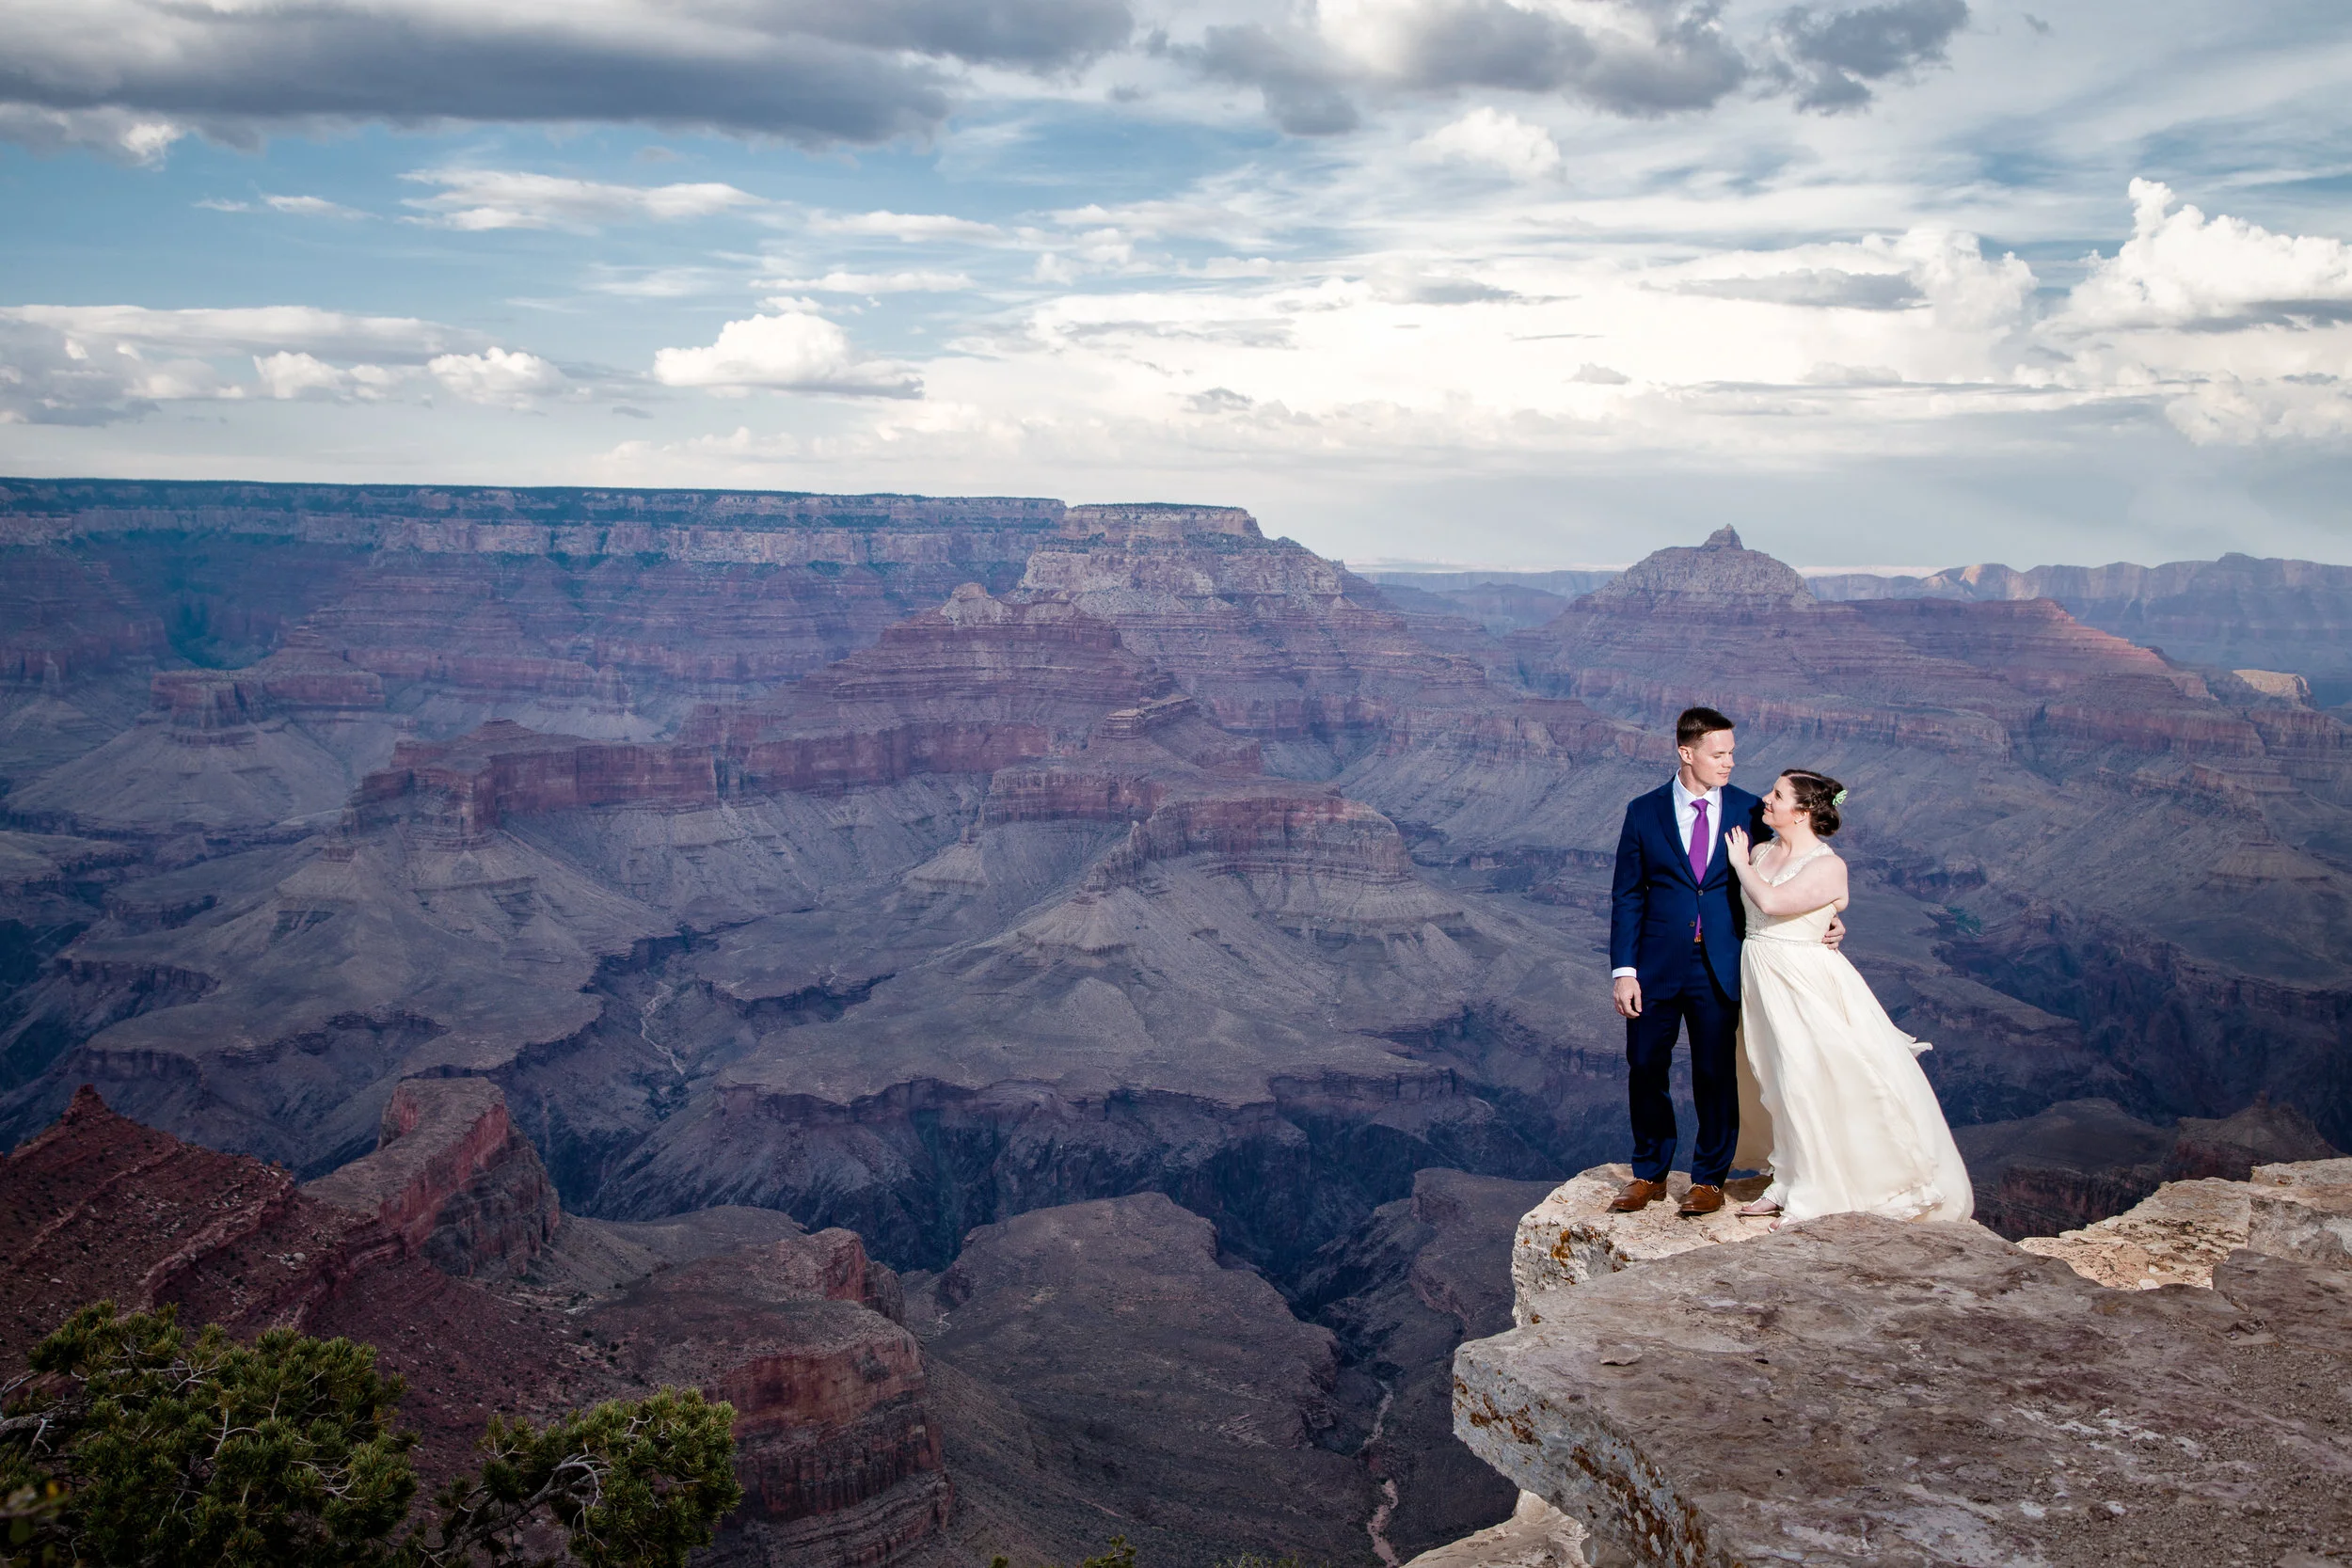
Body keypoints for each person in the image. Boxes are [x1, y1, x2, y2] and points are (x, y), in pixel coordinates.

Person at [1605, 707, 1841, 1217]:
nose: (1730, 762)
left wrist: (1828, 917)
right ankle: (1648, 1173)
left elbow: (1798, 863)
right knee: (1646, 1067)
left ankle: (1709, 1179)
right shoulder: (1642, 812)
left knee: (1716, 1072)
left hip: (1722, 962)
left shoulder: (1748, 811)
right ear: (1686, 753)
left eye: (1732, 752)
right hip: (1654, 966)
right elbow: (1627, 896)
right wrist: (1624, 970)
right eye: (1720, 753)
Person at [1723, 769, 1973, 1227]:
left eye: (1777, 795)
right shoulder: (1763, 851)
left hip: (1802, 981)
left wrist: (1739, 865)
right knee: (1774, 1078)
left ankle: (1817, 1191)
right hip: (1761, 978)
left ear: (1802, 812)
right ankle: (1787, 1178)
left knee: (1807, 1077)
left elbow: (1774, 904)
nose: (1766, 799)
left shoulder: (1827, 864)